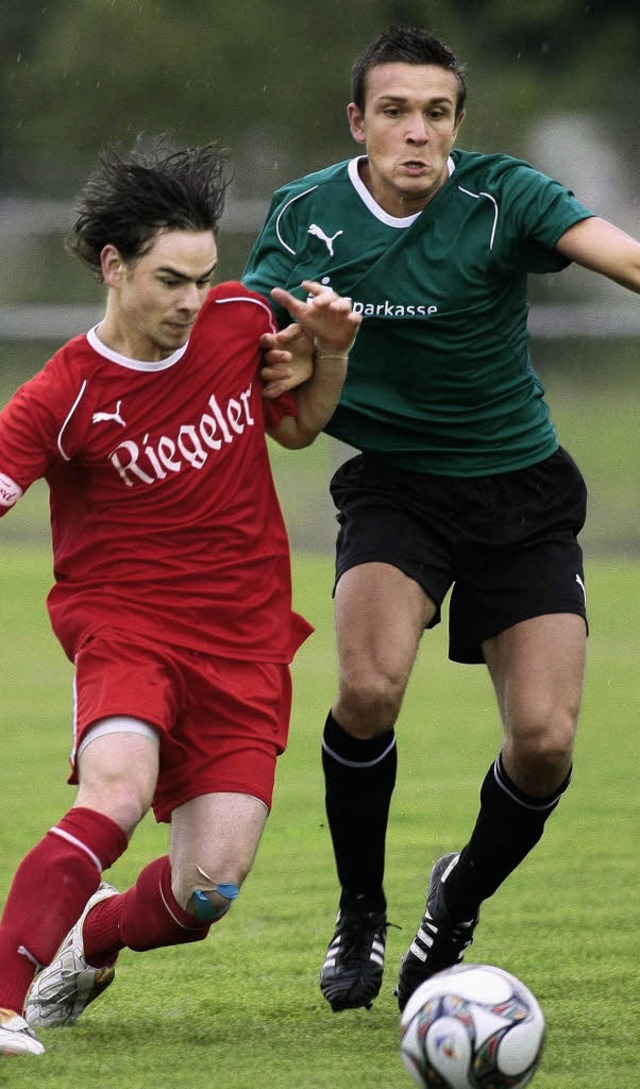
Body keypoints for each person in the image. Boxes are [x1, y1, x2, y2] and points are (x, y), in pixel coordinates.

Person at [242, 24, 640, 1014]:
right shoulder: (309, 216)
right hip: (397, 488)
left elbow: (624, 259)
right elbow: (243, 335)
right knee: (369, 687)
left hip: (521, 489)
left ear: (457, 123)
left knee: (544, 743)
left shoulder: (504, 195)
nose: (415, 132)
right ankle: (359, 913)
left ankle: (451, 907)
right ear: (358, 121)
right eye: (394, 111)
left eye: (434, 113)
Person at [0, 138, 361, 1056]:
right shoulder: (61, 397)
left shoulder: (241, 321)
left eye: (203, 278)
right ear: (115, 268)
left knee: (209, 888)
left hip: (243, 643)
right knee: (117, 792)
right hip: (128, 632)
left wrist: (331, 356)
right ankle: (2, 997)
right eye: (170, 281)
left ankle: (90, 939)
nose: (191, 302)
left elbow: (297, 428)